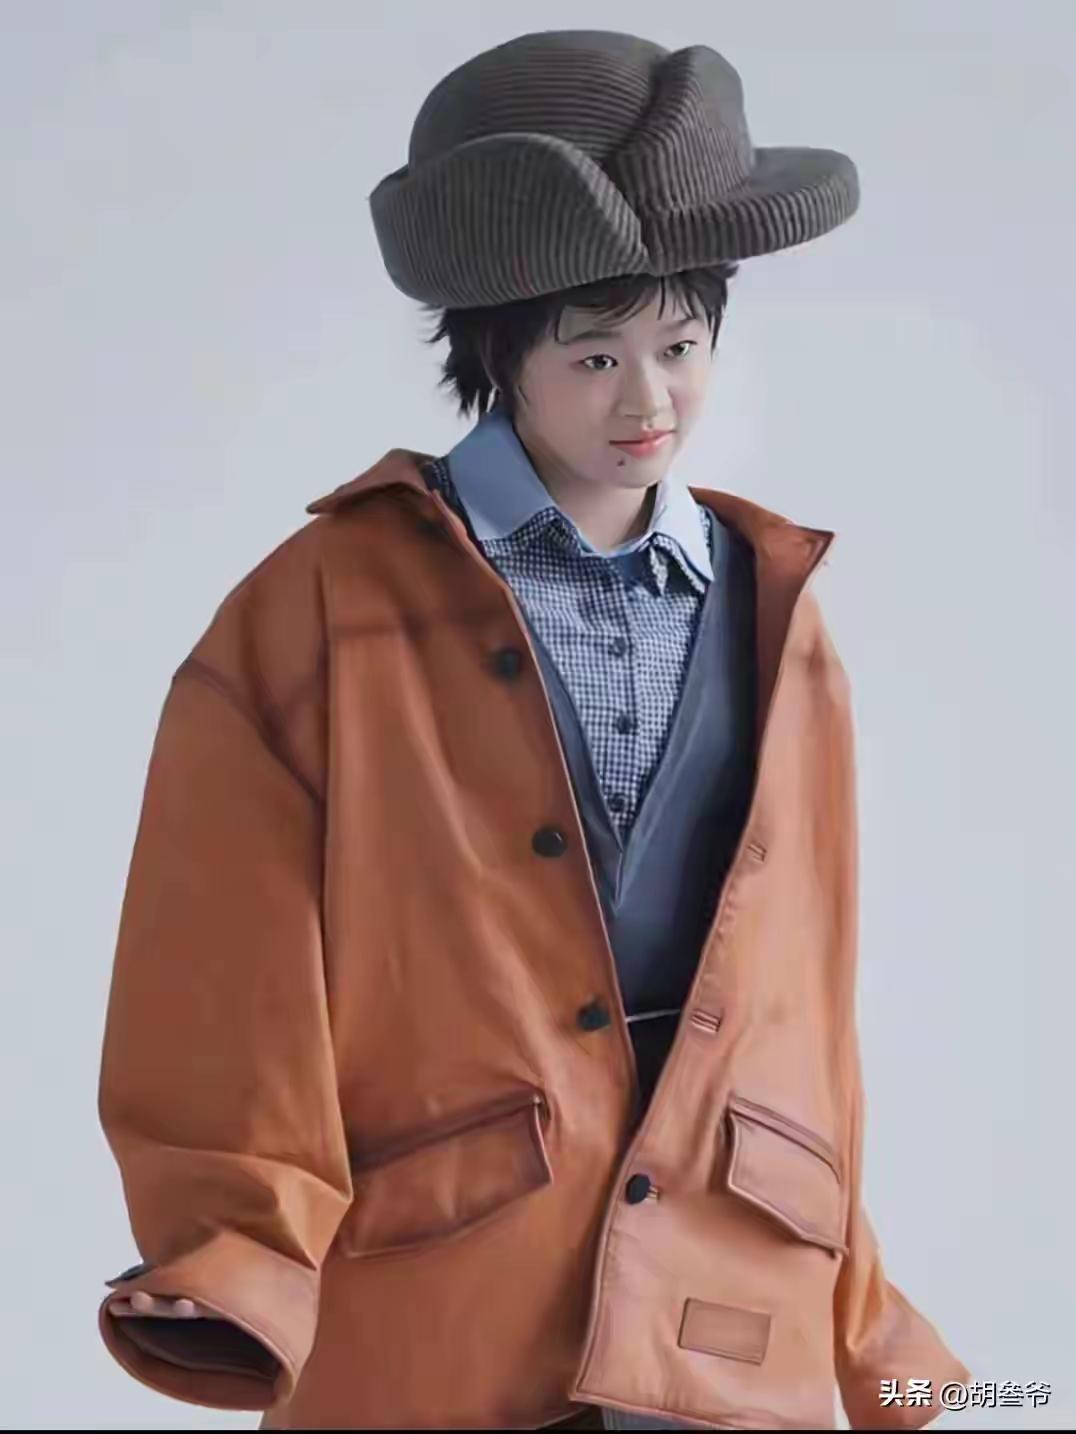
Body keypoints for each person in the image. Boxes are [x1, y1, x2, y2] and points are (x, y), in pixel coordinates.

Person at [97, 29, 969, 1431]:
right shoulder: (321, 609)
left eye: (680, 346)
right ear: (497, 353)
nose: (647, 401)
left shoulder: (776, 607)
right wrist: (235, 1247)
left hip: (729, 1305)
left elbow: (803, 997)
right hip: (444, 1297)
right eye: (595, 354)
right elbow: (220, 957)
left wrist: (878, 1345)